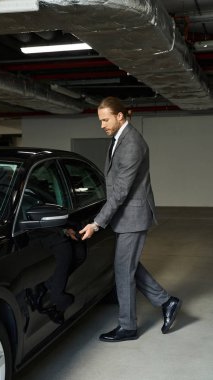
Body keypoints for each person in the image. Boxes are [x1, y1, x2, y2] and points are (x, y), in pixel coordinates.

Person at [79, 96, 182, 342]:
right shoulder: (119, 139)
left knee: (123, 270)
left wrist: (96, 222)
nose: (102, 125)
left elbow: (121, 191)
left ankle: (128, 327)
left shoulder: (132, 143)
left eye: (105, 120)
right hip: (125, 215)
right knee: (127, 266)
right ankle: (167, 301)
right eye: (100, 120)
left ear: (120, 116)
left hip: (133, 215)